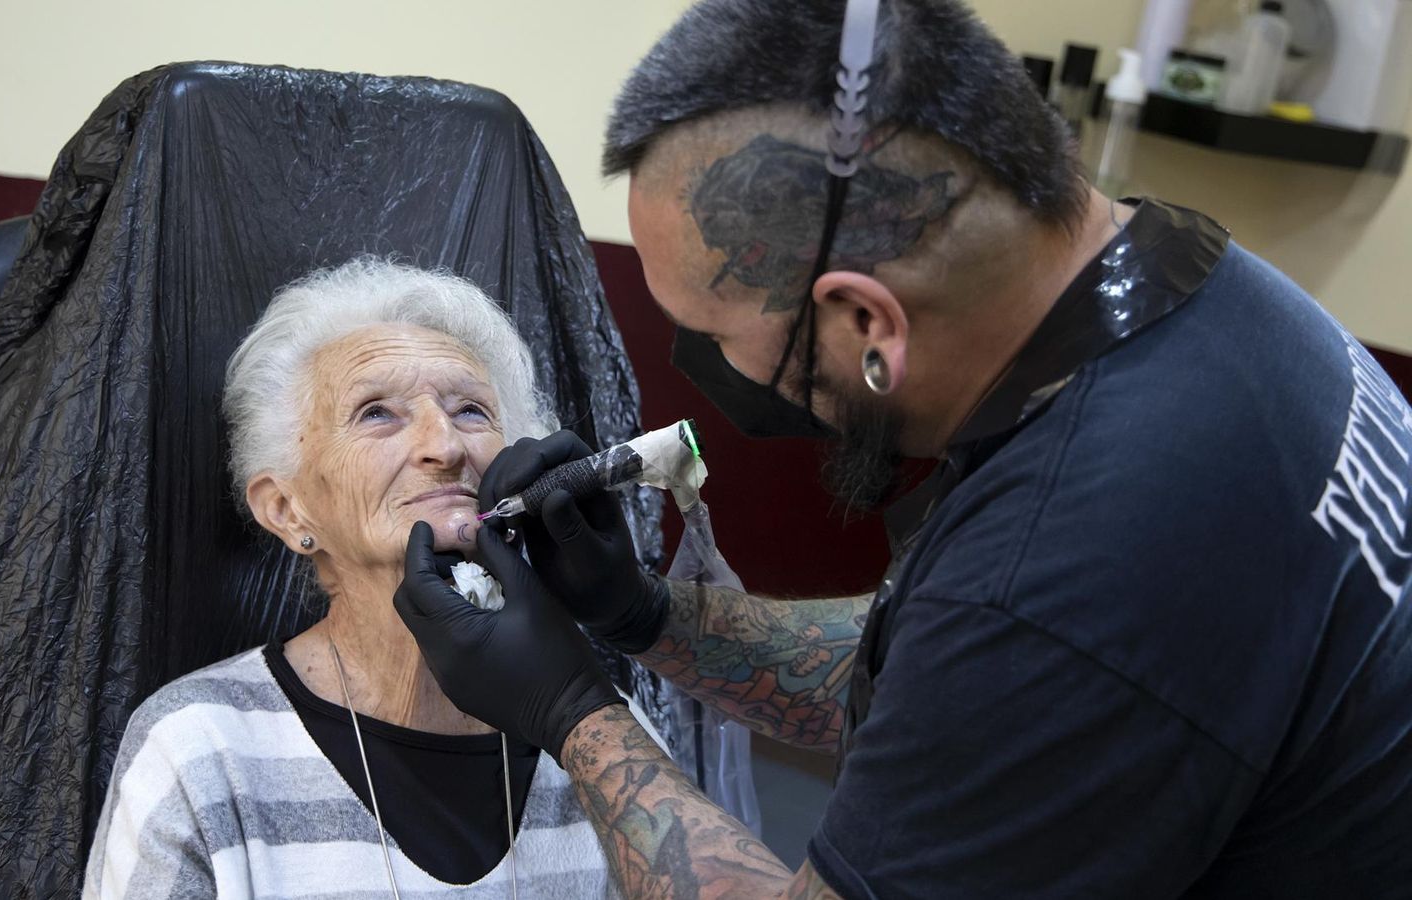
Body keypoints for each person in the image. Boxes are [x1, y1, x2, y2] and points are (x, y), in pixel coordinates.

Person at [391, 1, 1412, 897]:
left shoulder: (1069, 562)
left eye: (719, 338)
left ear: (868, 327)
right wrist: (641, 616)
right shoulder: (1212, 301)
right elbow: (941, 670)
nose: (708, 370)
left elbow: (1011, 639)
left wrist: (572, 709)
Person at [84, 258, 657, 898]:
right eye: (377, 413)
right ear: (286, 507)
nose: (445, 446)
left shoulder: (607, 739)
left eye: (471, 409)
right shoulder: (198, 749)